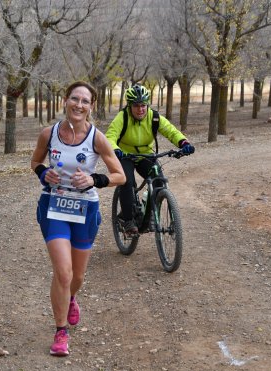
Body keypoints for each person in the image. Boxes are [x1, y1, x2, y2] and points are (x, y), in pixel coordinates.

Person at [31, 81, 126, 357]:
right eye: (75, 99)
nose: (79, 105)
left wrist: (93, 179)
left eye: (85, 101)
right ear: (65, 100)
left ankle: (72, 298)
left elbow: (120, 175)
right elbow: (35, 162)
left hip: (85, 210)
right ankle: (61, 332)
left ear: (91, 106)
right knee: (63, 272)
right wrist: (42, 174)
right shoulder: (49, 134)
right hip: (54, 206)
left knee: (78, 276)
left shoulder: (97, 137)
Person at [105, 83, 195, 235]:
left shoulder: (154, 117)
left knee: (159, 180)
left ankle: (152, 215)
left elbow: (171, 131)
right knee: (127, 182)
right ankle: (128, 220)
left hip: (145, 155)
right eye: (136, 106)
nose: (141, 109)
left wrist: (183, 143)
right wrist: (116, 149)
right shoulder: (123, 116)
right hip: (125, 155)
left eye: (143, 105)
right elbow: (110, 136)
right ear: (130, 106)